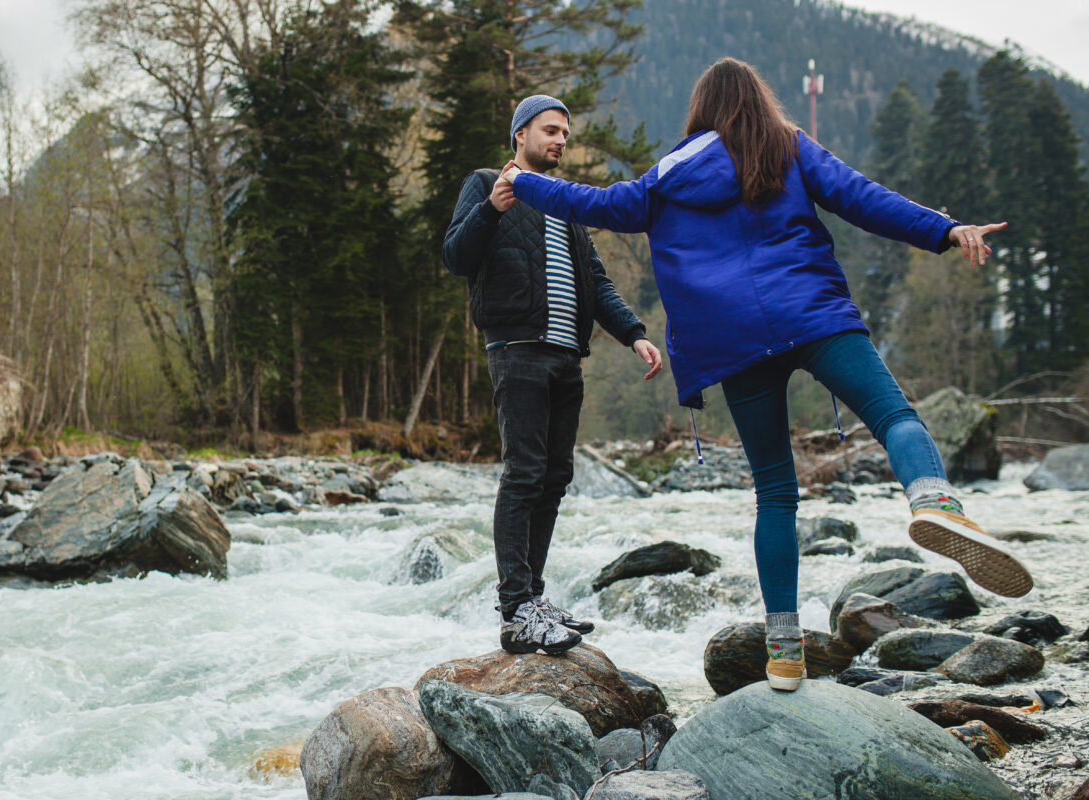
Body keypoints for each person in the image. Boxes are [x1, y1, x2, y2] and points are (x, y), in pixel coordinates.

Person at [499, 58, 1033, 689]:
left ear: (701, 109)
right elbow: (866, 200)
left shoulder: (669, 174)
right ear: (757, 100)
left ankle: (783, 652)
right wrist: (945, 230)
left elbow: (598, 204)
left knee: (776, 492)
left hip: (732, 342)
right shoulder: (788, 146)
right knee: (893, 415)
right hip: (813, 314)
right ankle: (935, 501)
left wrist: (523, 182)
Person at [443, 95, 664, 655]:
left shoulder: (564, 202)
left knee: (555, 475)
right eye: (550, 130)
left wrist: (634, 333)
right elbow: (455, 257)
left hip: (568, 356)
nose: (560, 140)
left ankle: (534, 599)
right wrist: (490, 210)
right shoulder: (486, 184)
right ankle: (516, 609)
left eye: (565, 132)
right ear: (520, 134)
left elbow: (596, 280)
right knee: (524, 474)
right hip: (516, 350)